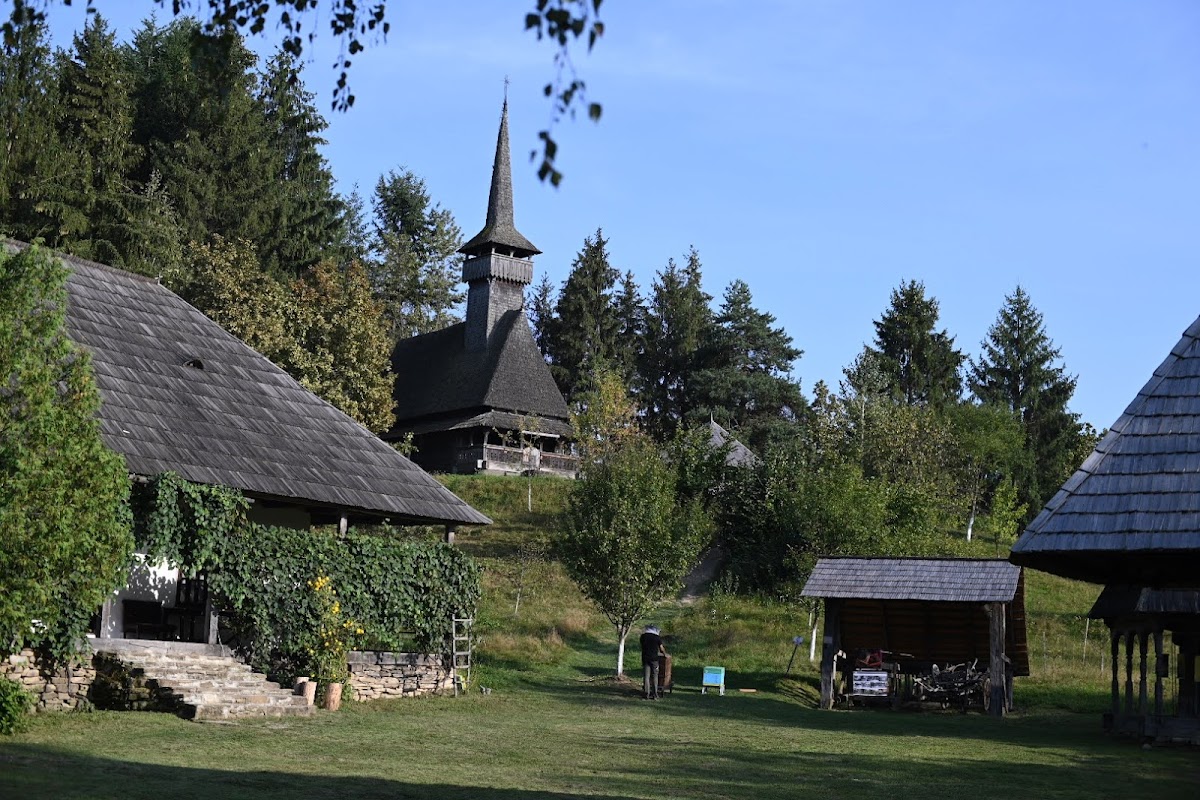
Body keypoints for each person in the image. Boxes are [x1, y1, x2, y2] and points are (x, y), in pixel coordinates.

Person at [640, 624, 665, 699]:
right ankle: (655, 694)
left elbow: (642, 646)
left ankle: (646, 694)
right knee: (655, 676)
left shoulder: (643, 636)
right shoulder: (657, 637)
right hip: (654, 659)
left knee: (646, 677)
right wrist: (664, 654)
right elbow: (661, 648)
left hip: (645, 658)